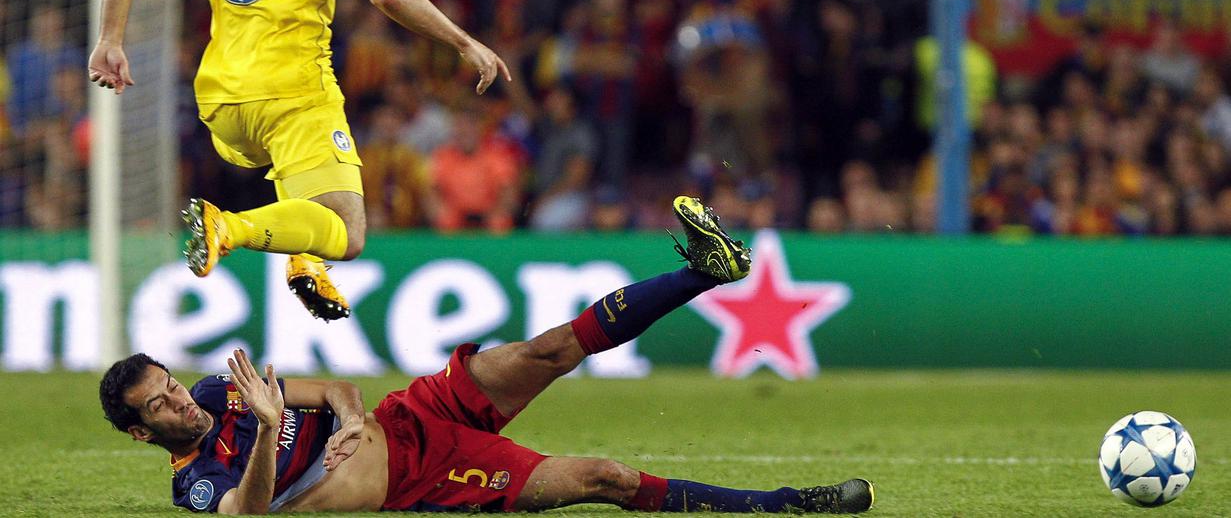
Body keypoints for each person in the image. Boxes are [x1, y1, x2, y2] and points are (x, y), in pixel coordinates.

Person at [99, 197, 875, 515]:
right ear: (141, 434)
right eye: (160, 406)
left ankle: (704, 270)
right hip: (423, 476)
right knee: (604, 477)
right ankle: (785, 505)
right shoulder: (196, 484)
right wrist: (271, 430)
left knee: (548, 349)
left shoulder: (216, 386)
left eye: (168, 384)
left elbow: (335, 385)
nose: (179, 400)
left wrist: (343, 414)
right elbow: (249, 516)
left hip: (415, 412)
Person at [86, 0, 511, 321]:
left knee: (308, 189)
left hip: (222, 104)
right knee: (349, 233)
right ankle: (231, 228)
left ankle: (304, 260)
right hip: (293, 92)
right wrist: (463, 42)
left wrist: (111, 37)